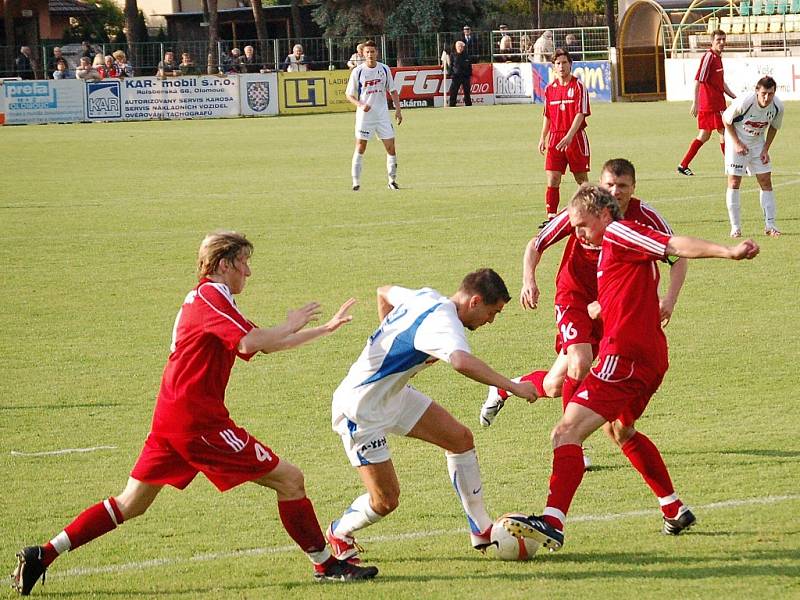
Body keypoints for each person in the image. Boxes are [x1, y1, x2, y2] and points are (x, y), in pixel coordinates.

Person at [9, 231, 379, 596]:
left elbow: (261, 344)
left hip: (171, 418)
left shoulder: (213, 299)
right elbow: (252, 341)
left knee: (130, 503)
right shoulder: (209, 297)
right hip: (198, 424)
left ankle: (43, 553)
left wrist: (321, 329)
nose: (248, 272)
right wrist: (291, 323)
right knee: (290, 480)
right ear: (224, 264)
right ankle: (325, 564)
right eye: (244, 263)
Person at [501, 184, 759, 552]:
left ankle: (553, 521)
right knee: (620, 429)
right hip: (650, 356)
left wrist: (728, 252)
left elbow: (674, 246)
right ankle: (673, 508)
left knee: (565, 432)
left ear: (605, 215)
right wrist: (598, 308)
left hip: (624, 358)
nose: (577, 234)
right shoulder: (611, 244)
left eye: (583, 226)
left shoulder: (621, 232)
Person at [481, 159, 689, 469]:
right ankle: (572, 444)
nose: (615, 191)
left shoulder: (645, 217)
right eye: (609, 184)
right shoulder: (584, 210)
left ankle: (507, 387)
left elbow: (678, 257)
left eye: (622, 186)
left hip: (614, 306)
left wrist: (669, 300)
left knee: (553, 385)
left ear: (634, 187)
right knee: (580, 363)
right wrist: (529, 280)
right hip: (575, 297)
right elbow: (535, 244)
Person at [324, 269, 538, 565]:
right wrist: (512, 386)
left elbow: (383, 290)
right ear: (475, 301)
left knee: (460, 439)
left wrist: (388, 344)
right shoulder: (444, 322)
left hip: (394, 394)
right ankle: (339, 532)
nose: (491, 321)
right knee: (386, 501)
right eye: (493, 312)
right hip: (361, 409)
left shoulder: (426, 296)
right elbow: (461, 362)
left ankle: (481, 527)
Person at [722, 76, 784, 238]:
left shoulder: (777, 106)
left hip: (757, 143)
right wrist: (736, 143)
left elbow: (774, 127)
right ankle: (735, 227)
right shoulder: (746, 101)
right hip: (736, 140)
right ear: (757, 91)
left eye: (770, 94)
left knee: (765, 180)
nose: (766, 97)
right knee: (734, 181)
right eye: (763, 93)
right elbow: (726, 120)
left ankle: (770, 225)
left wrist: (765, 149)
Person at [539, 48, 590, 225]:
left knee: (581, 179)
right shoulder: (549, 89)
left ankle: (589, 212)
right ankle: (551, 217)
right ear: (553, 67)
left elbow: (581, 113)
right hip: (554, 138)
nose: (561, 66)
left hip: (575, 138)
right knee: (553, 178)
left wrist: (569, 135)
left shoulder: (578, 86)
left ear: (571, 65)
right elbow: (547, 115)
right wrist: (542, 137)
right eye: (558, 63)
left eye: (564, 63)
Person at [345, 40, 403, 191]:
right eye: (367, 52)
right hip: (365, 117)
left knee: (391, 147)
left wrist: (398, 109)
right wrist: (361, 105)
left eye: (372, 51)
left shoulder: (384, 69)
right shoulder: (358, 71)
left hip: (382, 115)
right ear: (363, 54)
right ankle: (356, 183)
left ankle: (392, 181)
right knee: (360, 147)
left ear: (377, 52)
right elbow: (349, 95)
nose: (370, 54)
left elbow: (393, 90)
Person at [677, 29, 736, 176]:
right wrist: (695, 103)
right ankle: (731, 166)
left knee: (705, 135)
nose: (722, 42)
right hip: (711, 105)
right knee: (724, 132)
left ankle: (683, 165)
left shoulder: (718, 57)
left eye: (723, 39)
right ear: (712, 41)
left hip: (717, 103)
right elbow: (698, 80)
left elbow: (721, 83)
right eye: (718, 40)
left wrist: (734, 97)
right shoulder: (709, 57)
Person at [448, 40, 473, 108]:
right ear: (456, 47)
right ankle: (452, 105)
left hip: (465, 76)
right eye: (460, 46)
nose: (461, 48)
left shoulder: (466, 54)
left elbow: (469, 65)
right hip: (456, 76)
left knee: (467, 91)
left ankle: (468, 104)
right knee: (453, 91)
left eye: (462, 47)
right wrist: (450, 73)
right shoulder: (453, 55)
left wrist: (470, 73)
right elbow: (451, 65)